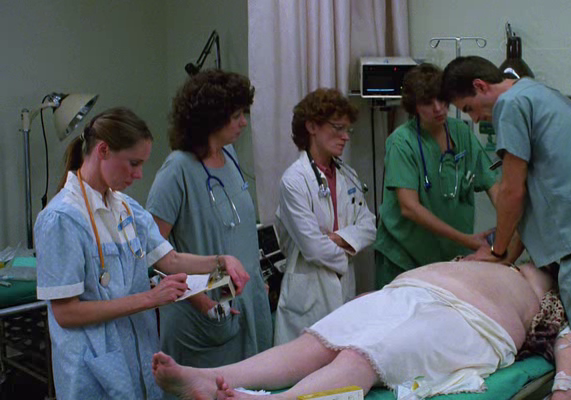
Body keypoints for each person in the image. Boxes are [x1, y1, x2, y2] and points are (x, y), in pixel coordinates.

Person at [440, 56, 571, 399]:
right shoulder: (538, 93)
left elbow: (512, 192)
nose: (475, 119)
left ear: (480, 86)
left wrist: (498, 252)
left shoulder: (510, 105)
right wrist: (507, 255)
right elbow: (531, 200)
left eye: (469, 109)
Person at [34, 107, 251, 399]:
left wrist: (220, 262)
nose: (138, 175)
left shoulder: (126, 209)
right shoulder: (62, 219)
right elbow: (66, 313)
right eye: (133, 163)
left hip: (138, 357)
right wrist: (150, 298)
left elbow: (170, 260)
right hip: (92, 368)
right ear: (103, 150)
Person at [152, 260, 571, 400]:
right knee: (319, 341)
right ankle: (209, 378)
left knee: (365, 355)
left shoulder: (560, 295)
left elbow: (568, 339)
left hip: (471, 321)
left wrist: (566, 387)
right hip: (410, 290)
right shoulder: (502, 256)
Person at [146, 70, 273, 371]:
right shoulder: (177, 170)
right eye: (236, 115)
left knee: (252, 384)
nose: (244, 122)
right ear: (212, 118)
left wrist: (258, 282)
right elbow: (153, 254)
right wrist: (205, 305)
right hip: (202, 313)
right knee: (207, 386)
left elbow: (239, 233)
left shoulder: (230, 156)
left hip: (244, 301)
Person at [374, 63, 521, 289]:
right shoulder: (401, 143)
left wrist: (508, 237)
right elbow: (409, 207)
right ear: (414, 107)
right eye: (428, 103)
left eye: (442, 100)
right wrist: (468, 240)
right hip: (405, 259)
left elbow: (495, 189)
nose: (438, 108)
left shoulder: (461, 133)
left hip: (451, 258)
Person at [274, 88, 376, 345]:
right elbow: (313, 249)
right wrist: (347, 249)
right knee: (303, 363)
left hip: (343, 286)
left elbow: (369, 226)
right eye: (338, 128)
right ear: (312, 127)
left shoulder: (348, 175)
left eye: (348, 130)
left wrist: (337, 238)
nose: (345, 136)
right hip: (308, 293)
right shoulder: (294, 180)